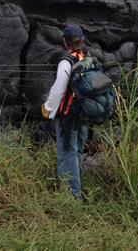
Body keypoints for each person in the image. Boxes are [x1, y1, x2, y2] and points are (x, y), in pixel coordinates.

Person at [41, 24, 88, 200]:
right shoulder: (88, 58)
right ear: (81, 40)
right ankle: (77, 190)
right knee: (77, 153)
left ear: (64, 42)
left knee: (66, 153)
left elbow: (59, 88)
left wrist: (48, 108)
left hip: (68, 115)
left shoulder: (66, 61)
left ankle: (71, 197)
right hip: (84, 113)